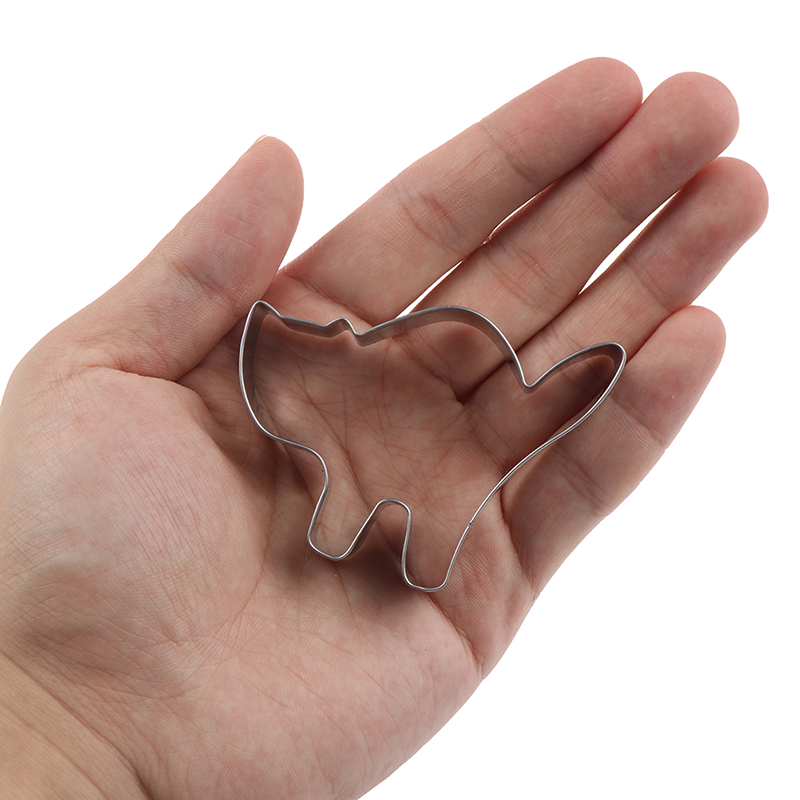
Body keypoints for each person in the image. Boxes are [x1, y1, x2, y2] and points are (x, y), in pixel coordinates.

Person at [0, 58, 767, 800]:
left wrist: (56, 725)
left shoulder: (360, 400)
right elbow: (335, 506)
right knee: (394, 523)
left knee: (425, 527)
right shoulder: (319, 412)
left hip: (441, 486)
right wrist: (54, 707)